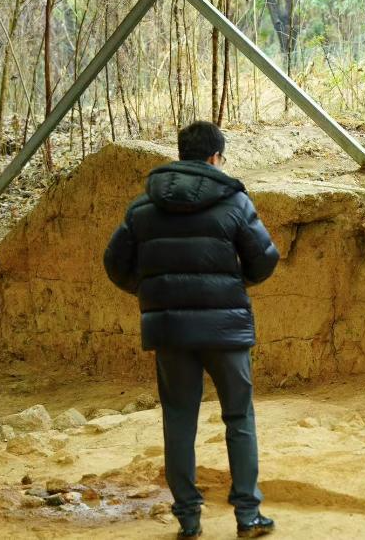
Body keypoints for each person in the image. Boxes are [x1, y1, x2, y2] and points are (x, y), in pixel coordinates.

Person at [104, 121, 280, 538]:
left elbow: (114, 264)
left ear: (182, 154)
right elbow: (264, 259)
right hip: (226, 330)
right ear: (216, 157)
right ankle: (247, 516)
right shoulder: (235, 202)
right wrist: (234, 284)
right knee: (239, 417)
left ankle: (188, 519)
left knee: (179, 419)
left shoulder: (143, 207)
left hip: (171, 332)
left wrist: (153, 291)